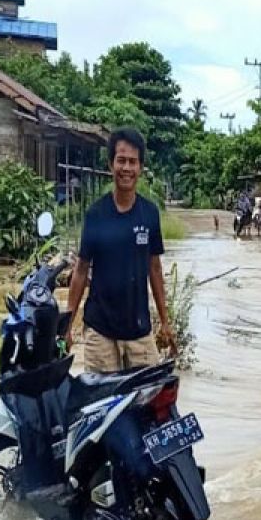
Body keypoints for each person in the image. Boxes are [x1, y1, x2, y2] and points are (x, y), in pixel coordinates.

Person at [65, 127, 174, 372]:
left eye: (133, 162)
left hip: (139, 332)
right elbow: (81, 271)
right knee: (100, 405)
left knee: (147, 403)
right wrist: (67, 325)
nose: (127, 168)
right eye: (121, 160)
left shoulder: (149, 214)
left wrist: (165, 321)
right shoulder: (96, 214)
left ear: (141, 168)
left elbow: (154, 269)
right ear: (110, 164)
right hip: (100, 333)